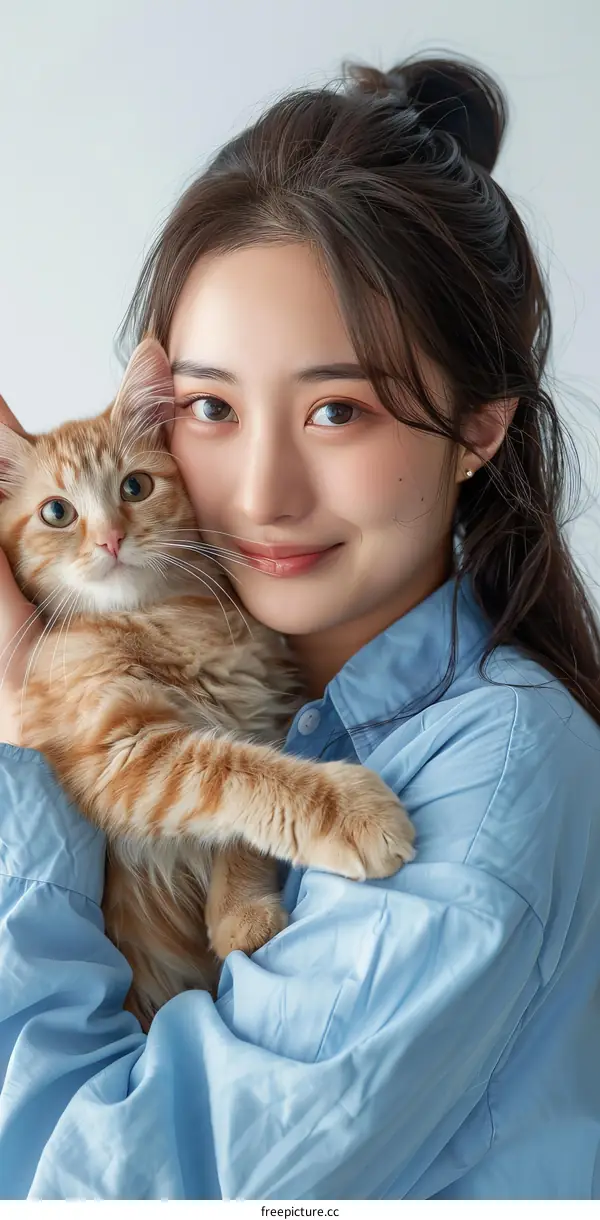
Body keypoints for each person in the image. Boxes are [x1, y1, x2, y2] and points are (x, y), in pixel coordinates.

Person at [0, 54, 599, 1202]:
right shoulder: (262, 685)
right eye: (213, 408)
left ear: (478, 429)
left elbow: (104, 1194)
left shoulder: (492, 779)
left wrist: (20, 723)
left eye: (338, 408)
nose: (263, 490)